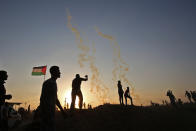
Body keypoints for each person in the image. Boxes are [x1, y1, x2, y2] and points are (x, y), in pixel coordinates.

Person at [40, 66, 67, 131]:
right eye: (58, 71)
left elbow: (55, 98)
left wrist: (62, 110)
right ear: (54, 72)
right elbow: (42, 98)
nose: (60, 72)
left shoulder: (54, 83)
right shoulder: (49, 83)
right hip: (47, 112)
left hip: (50, 111)